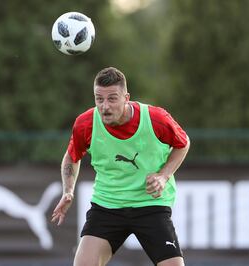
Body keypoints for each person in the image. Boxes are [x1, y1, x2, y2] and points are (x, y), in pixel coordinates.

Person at [51, 67, 190, 266]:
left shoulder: (155, 118)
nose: (105, 106)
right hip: (107, 206)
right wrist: (68, 190)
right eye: (99, 99)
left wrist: (163, 176)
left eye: (112, 99)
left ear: (126, 97)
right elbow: (71, 157)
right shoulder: (86, 123)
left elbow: (183, 144)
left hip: (150, 204)